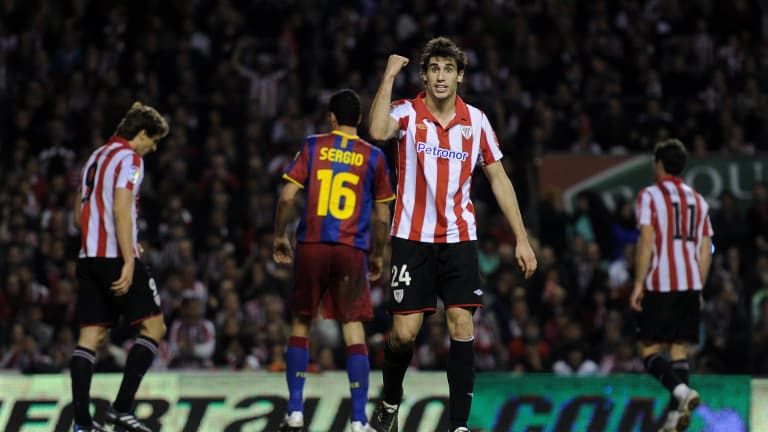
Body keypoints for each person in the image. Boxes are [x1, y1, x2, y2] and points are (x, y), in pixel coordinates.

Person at [367, 37, 537, 432]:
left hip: (459, 238)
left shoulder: (476, 121)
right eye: (434, 69)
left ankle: (458, 425)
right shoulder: (407, 113)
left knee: (462, 324)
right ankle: (390, 401)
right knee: (403, 335)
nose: (441, 76)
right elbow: (376, 129)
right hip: (412, 238)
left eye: (448, 69)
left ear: (460, 76)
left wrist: (522, 237)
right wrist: (389, 75)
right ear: (424, 76)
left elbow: (499, 179)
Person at [273, 89, 394, 432]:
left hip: (312, 245)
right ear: (360, 119)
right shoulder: (374, 156)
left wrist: (279, 235)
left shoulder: (313, 146)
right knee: (353, 327)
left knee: (301, 323)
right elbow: (382, 217)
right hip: (351, 249)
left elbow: (287, 197)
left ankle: (295, 411)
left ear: (332, 117)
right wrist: (378, 254)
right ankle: (358, 420)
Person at [71, 102, 169, 432]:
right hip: (115, 256)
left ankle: (82, 424)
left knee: (89, 337)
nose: (154, 148)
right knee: (154, 328)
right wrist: (128, 259)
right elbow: (122, 210)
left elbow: (78, 216)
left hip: (88, 257)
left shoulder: (95, 157)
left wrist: (97, 240)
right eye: (153, 140)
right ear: (141, 134)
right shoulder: (131, 160)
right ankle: (121, 408)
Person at [630, 138, 713, 432]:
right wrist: (699, 286)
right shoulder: (699, 201)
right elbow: (706, 250)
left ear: (659, 164)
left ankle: (682, 392)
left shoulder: (649, 195)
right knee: (678, 351)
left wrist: (638, 283)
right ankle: (674, 419)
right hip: (690, 282)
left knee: (648, 350)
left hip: (661, 282)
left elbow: (647, 239)